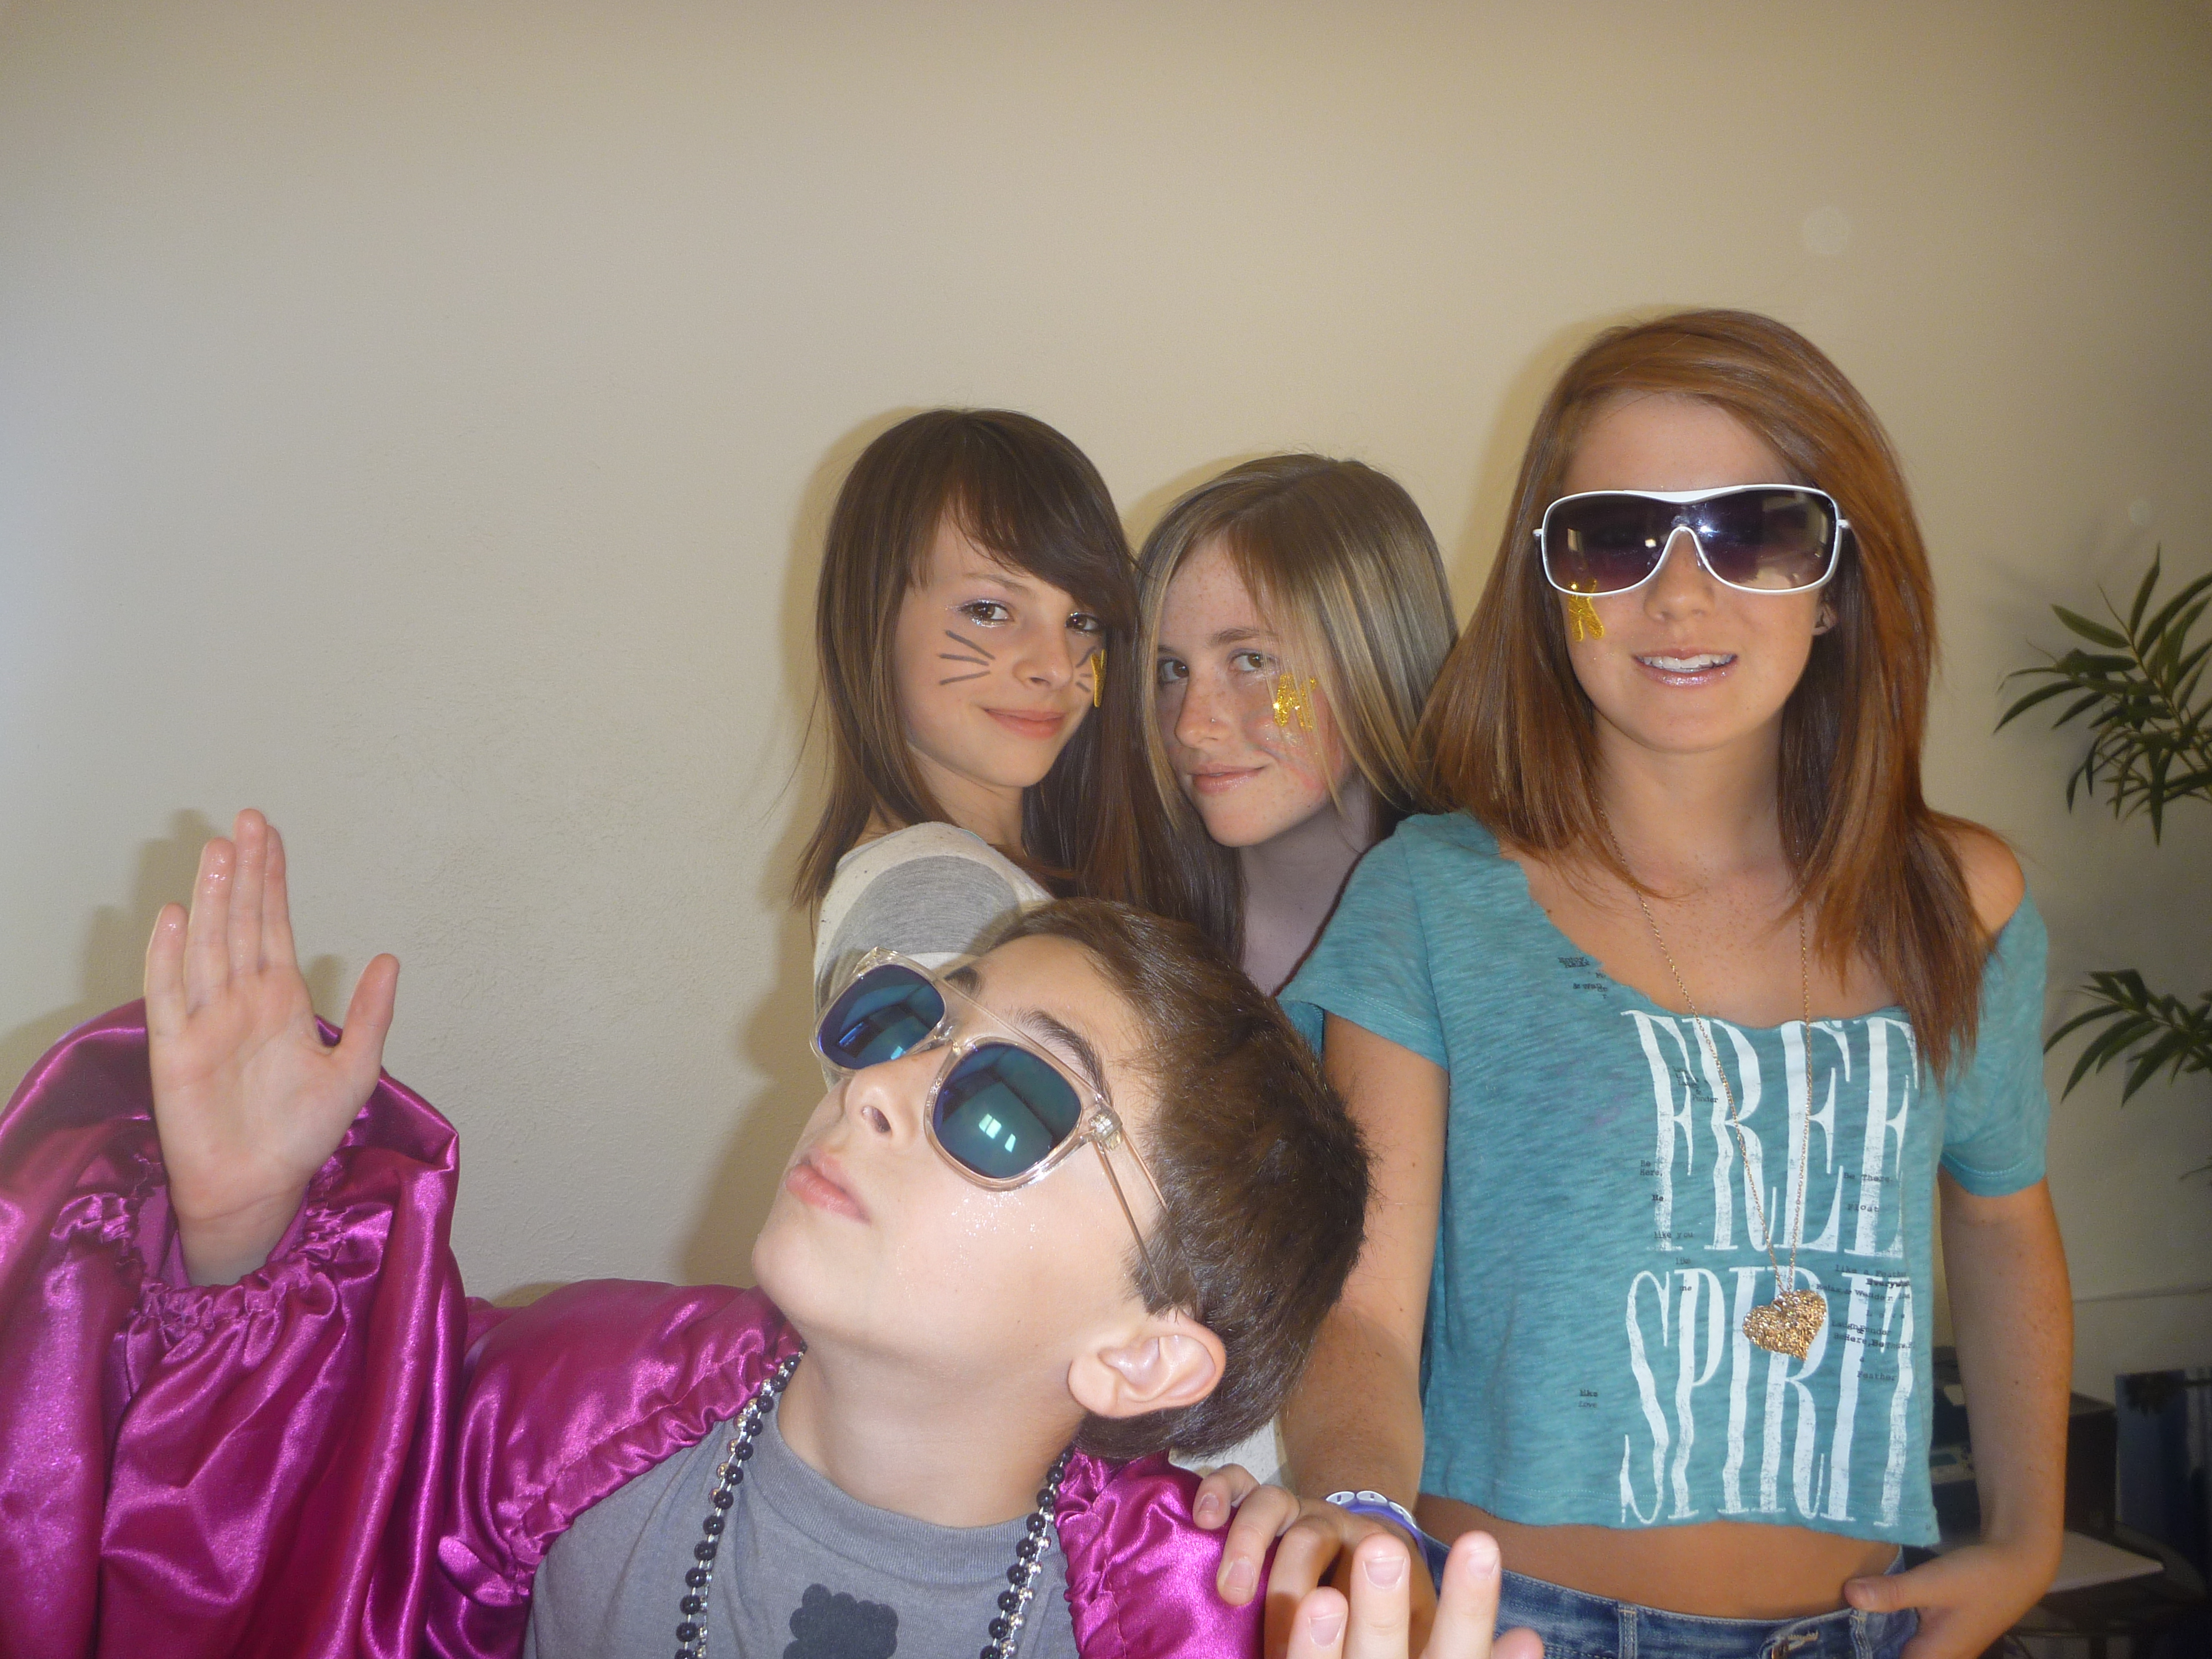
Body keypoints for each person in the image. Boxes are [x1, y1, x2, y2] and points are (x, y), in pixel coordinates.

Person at [0, 809, 1540, 1659]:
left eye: (1007, 1104)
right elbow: (266, 1529)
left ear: (1141, 1356)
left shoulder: (1202, 1623)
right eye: (903, 1018)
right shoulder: (553, 1414)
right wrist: (241, 1227)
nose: (877, 1087)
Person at [1199, 311, 2070, 1659]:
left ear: (1835, 581)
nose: (1678, 595)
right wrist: (1360, 1514)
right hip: (1519, 1625)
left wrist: (2026, 1539)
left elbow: (2003, 1218)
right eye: (1614, 537)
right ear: (1551, 583)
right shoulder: (1431, 898)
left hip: (1859, 1629)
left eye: (1753, 532)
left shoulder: (1959, 901)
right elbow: (1360, 1307)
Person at [799, 409, 1152, 1003]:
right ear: (871, 620)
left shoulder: (985, 881)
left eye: (1083, 620)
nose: (1056, 665)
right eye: (989, 610)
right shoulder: (941, 893)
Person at [1138, 456, 1457, 995]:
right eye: (1172, 670)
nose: (1192, 727)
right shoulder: (1126, 940)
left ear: (1378, 662)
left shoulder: (1504, 934)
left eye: (1252, 661)